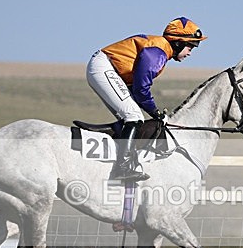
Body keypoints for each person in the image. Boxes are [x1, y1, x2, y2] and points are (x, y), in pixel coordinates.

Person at [86, 17, 207, 181]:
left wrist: (152, 111)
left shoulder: (160, 50)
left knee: (133, 117)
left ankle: (111, 144)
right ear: (178, 43)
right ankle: (122, 168)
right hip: (105, 67)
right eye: (190, 46)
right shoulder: (157, 53)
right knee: (134, 116)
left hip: (109, 69)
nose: (190, 52)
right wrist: (155, 112)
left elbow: (138, 89)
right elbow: (141, 89)